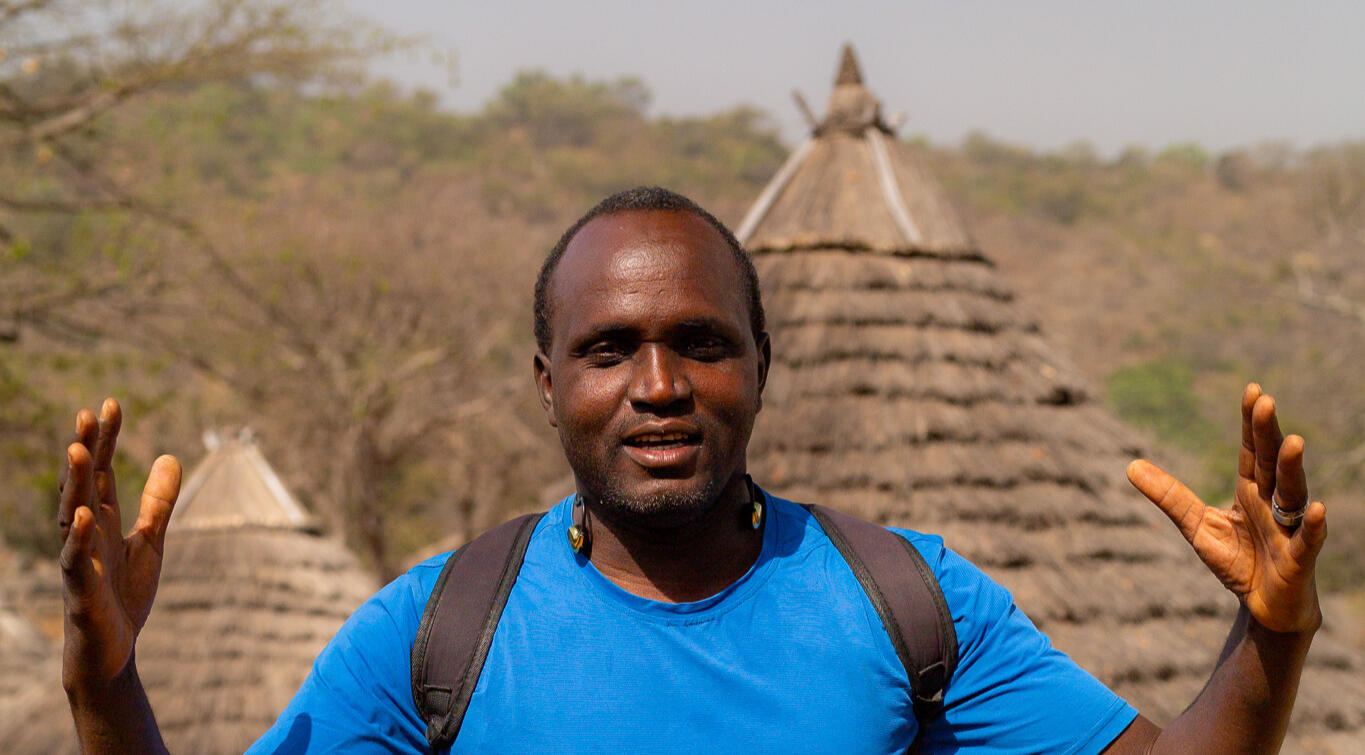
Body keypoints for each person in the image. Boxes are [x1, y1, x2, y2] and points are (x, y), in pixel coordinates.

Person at [58, 187, 1328, 753]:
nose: (658, 384)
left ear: (760, 365)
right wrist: (108, 679)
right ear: (548, 382)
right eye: (610, 348)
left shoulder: (909, 601)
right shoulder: (434, 631)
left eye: (701, 344)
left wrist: (1267, 636)